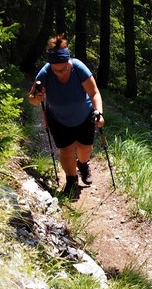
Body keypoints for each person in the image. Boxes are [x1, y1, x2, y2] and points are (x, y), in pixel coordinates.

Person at [28, 35, 105, 198]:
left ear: (68, 62)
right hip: (58, 119)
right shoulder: (46, 72)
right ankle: (71, 179)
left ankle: (83, 164)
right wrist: (36, 98)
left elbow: (94, 93)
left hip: (84, 116)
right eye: (55, 69)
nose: (59, 72)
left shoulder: (78, 68)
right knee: (66, 149)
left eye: (63, 69)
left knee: (85, 148)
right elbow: (32, 100)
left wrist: (99, 112)